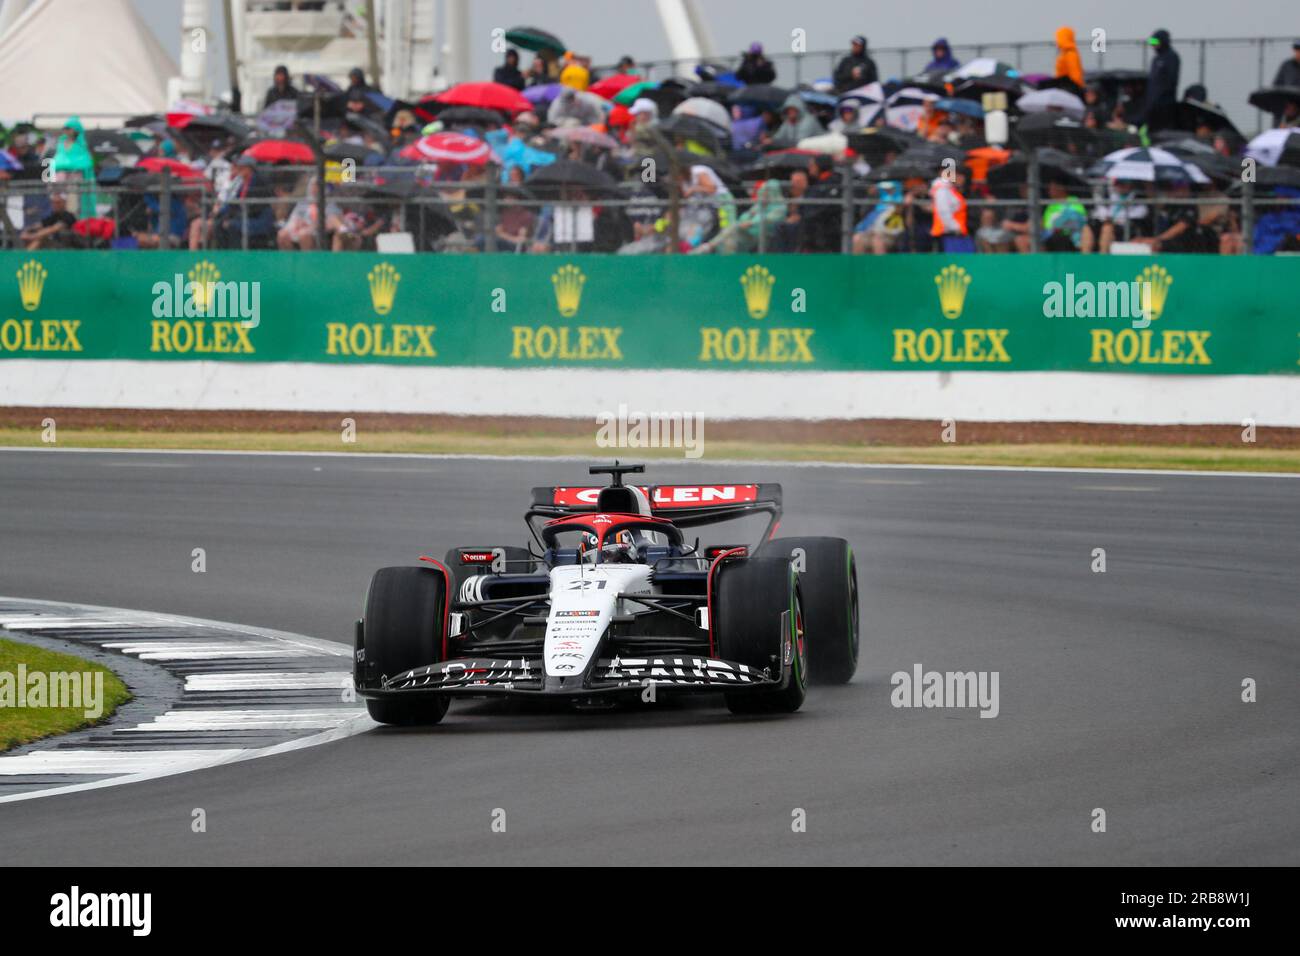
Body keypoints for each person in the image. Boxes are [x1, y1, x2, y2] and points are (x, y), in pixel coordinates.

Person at [51, 117, 97, 217]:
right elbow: (56, 160)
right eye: (65, 128)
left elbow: (85, 162)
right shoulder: (60, 144)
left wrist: (68, 165)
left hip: (75, 180)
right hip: (59, 182)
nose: (66, 131)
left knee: (73, 205)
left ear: (76, 130)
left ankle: (74, 224)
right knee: (59, 205)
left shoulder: (81, 145)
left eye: (69, 128)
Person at [1138, 29, 1180, 131]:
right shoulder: (1156, 59)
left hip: (1164, 107)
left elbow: (1170, 82)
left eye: (1155, 42)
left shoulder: (1172, 57)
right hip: (1152, 107)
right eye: (1151, 43)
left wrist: (1159, 99)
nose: (1153, 45)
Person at [929, 168, 972, 252]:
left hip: (952, 232)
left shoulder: (950, 190)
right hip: (947, 233)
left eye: (962, 176)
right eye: (958, 175)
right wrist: (955, 227)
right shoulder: (943, 190)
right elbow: (943, 211)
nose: (961, 178)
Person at [1054, 27, 1084, 92]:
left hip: (1068, 88)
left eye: (1058, 38)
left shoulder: (1070, 54)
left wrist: (1076, 89)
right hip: (1063, 86)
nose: (1056, 41)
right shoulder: (1065, 53)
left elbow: (1076, 76)